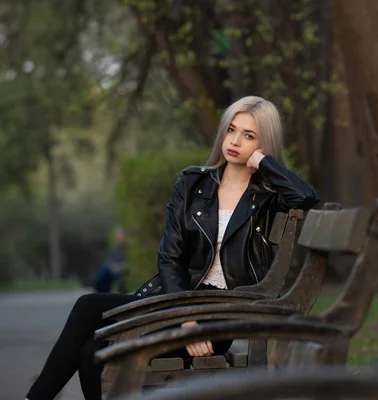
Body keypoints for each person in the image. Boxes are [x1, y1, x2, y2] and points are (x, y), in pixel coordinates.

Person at [25, 96, 320, 400]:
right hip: (175, 302)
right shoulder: (192, 183)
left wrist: (263, 162)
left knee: (92, 338)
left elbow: (307, 197)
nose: (234, 141)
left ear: (264, 144)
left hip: (224, 311)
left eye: (249, 136)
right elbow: (170, 257)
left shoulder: (267, 194)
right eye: (231, 130)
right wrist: (185, 319)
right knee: (90, 335)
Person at [92, 227, 127, 294]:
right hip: (113, 271)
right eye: (117, 236)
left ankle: (100, 288)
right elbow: (113, 260)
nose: (117, 237)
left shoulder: (129, 248)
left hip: (118, 270)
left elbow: (130, 264)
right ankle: (98, 286)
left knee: (105, 269)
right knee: (105, 267)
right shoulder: (118, 249)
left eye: (120, 235)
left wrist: (119, 266)